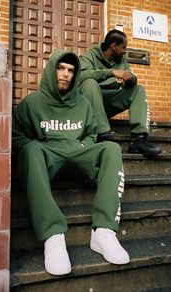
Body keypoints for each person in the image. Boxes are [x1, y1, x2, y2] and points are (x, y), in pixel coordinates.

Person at [12, 49, 130, 276]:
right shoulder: (31, 103)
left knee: (111, 148)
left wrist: (85, 145)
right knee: (30, 149)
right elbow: (18, 137)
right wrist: (37, 147)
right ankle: (53, 235)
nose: (66, 74)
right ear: (51, 70)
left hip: (78, 154)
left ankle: (103, 231)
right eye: (61, 68)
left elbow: (90, 132)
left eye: (70, 70)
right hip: (46, 155)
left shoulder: (83, 104)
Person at [79, 29, 161, 158]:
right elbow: (80, 75)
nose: (125, 51)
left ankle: (138, 139)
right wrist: (111, 72)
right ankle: (102, 134)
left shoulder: (121, 60)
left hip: (109, 102)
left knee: (138, 89)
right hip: (91, 104)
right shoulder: (91, 55)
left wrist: (129, 79)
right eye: (124, 47)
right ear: (114, 46)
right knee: (90, 83)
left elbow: (130, 78)